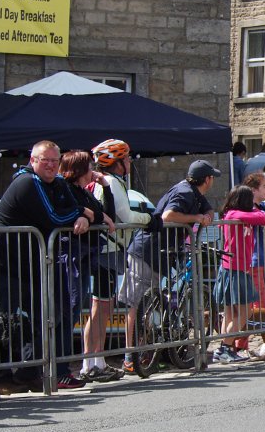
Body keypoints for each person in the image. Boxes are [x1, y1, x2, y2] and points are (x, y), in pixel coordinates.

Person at [0, 140, 93, 394]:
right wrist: (80, 212)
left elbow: (88, 207)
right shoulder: (27, 182)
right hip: (5, 261)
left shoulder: (56, 184)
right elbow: (53, 217)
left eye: (55, 161)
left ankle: (30, 373)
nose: (50, 165)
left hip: (32, 260)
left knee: (40, 317)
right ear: (33, 160)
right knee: (3, 320)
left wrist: (87, 213)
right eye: (44, 160)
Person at [118, 160, 218, 374]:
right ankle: (129, 356)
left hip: (161, 253)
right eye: (212, 178)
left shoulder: (193, 191)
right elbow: (168, 216)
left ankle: (152, 351)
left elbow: (207, 206)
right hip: (147, 251)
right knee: (136, 303)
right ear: (207, 179)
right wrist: (197, 218)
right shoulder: (185, 192)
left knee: (153, 300)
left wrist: (207, 214)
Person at [84, 139, 151, 383]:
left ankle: (93, 360)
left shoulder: (108, 181)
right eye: (127, 158)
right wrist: (148, 219)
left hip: (106, 249)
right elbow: (125, 214)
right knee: (101, 307)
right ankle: (93, 361)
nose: (130, 161)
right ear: (117, 162)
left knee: (100, 306)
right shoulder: (112, 182)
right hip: (107, 250)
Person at [58, 151, 116, 387]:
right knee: (68, 309)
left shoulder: (85, 190)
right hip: (71, 256)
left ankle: (69, 367)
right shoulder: (66, 188)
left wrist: (106, 188)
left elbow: (107, 216)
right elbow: (78, 213)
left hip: (85, 257)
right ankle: (61, 368)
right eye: (89, 165)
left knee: (76, 306)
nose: (93, 168)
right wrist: (88, 214)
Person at [212, 185, 265, 363]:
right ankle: (225, 348)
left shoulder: (244, 215)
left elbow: (261, 216)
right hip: (234, 269)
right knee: (242, 313)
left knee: (232, 314)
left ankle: (225, 348)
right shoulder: (234, 214)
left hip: (239, 268)